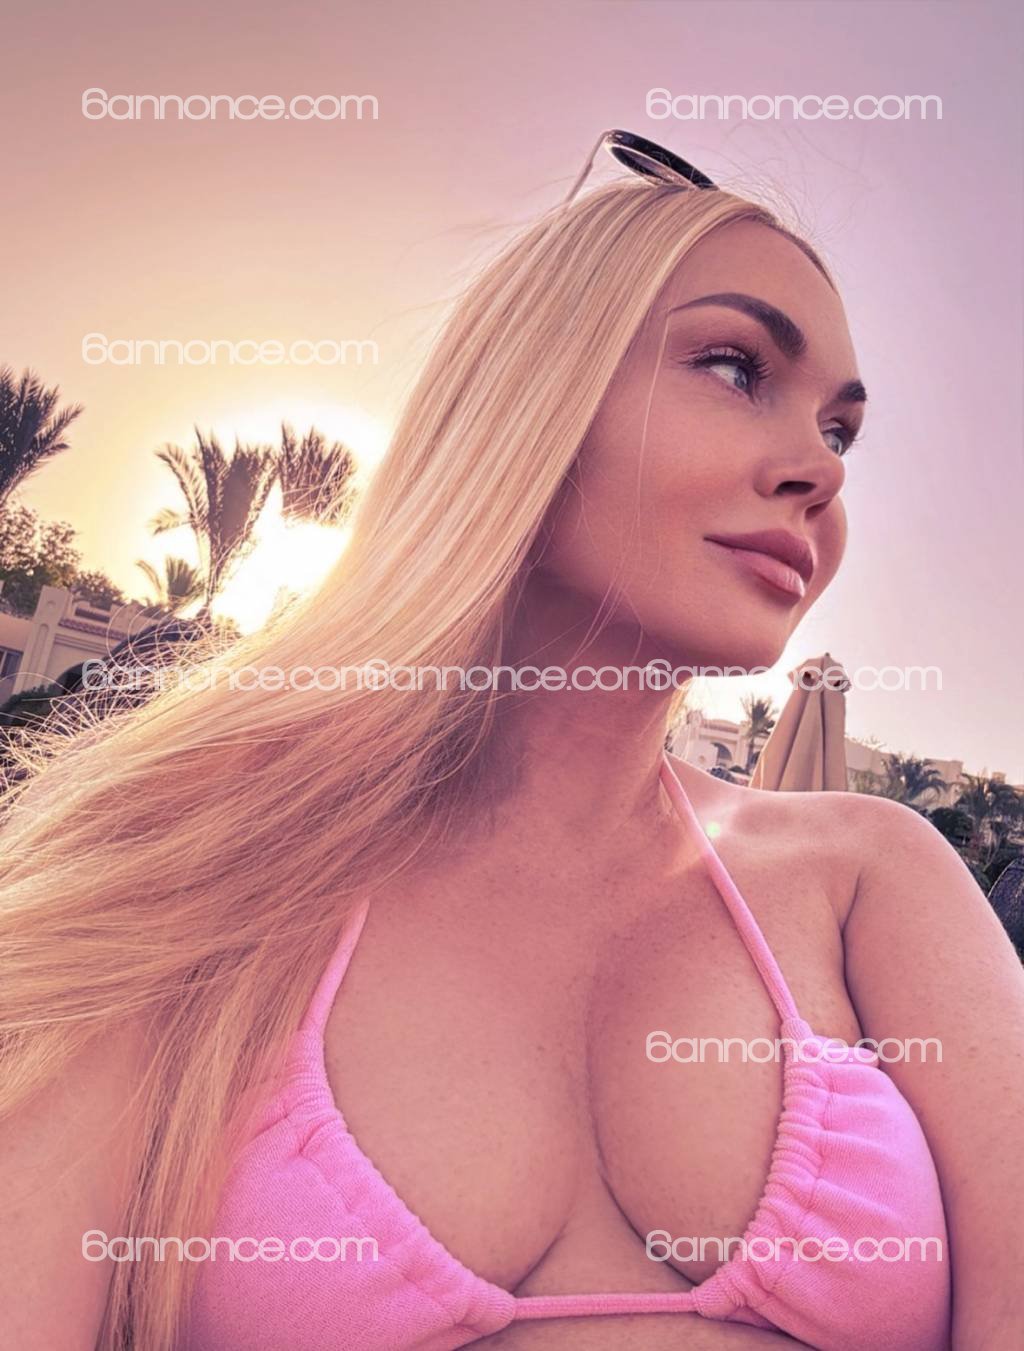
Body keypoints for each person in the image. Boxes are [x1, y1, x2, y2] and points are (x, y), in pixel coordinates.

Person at [2, 134, 1022, 1351]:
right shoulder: (195, 873)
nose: (819, 472)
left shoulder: (870, 877)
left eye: (841, 432)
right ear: (530, 403)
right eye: (732, 366)